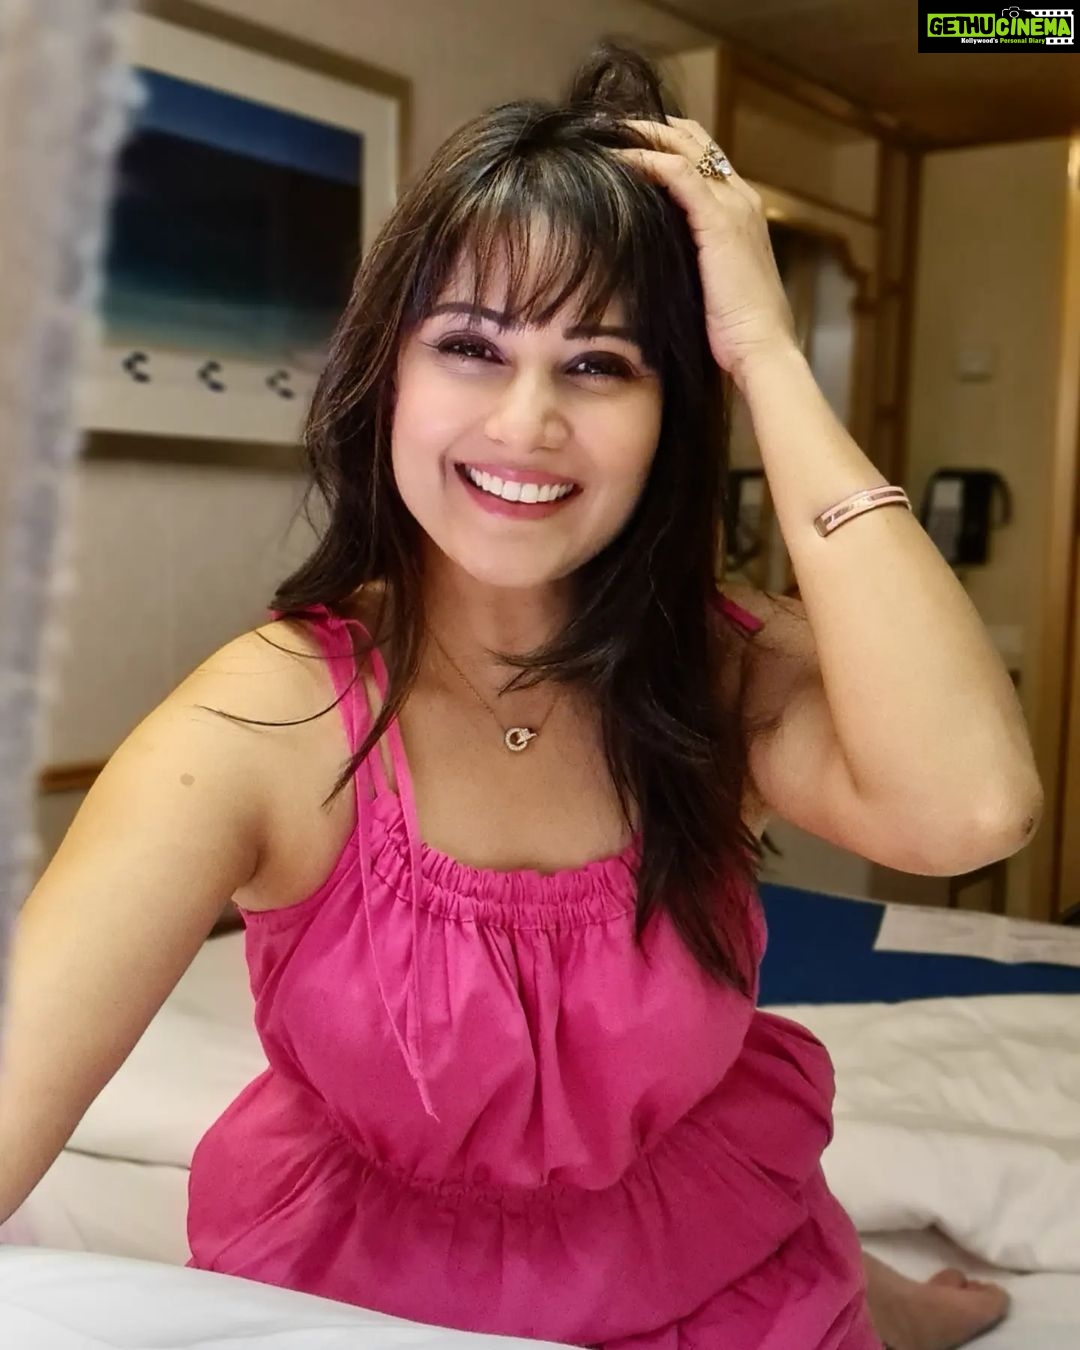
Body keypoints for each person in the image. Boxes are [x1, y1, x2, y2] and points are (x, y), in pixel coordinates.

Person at [0, 45, 1035, 1350]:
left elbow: (973, 809)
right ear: (387, 375)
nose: (527, 421)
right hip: (371, 1286)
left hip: (718, 1251)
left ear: (672, 410)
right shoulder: (266, 723)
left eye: (600, 364)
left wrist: (771, 355)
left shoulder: (713, 669)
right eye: (470, 347)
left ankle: (862, 1289)